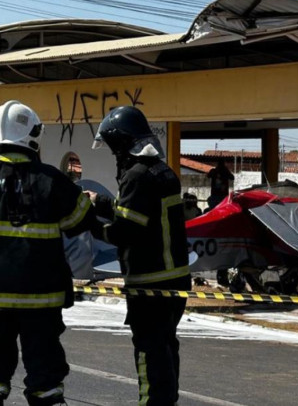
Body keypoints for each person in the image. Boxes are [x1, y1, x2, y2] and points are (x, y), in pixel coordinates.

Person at [88, 106, 191, 406]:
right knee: (166, 352)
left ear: (122, 142)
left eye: (112, 147)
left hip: (149, 287)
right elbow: (139, 214)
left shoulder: (136, 177)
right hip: (174, 284)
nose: (113, 154)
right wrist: (101, 202)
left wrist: (90, 225)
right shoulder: (161, 171)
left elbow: (124, 232)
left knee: (149, 357)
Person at [0, 101, 97, 406]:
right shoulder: (52, 180)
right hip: (42, 302)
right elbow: (81, 220)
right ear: (34, 135)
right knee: (45, 378)